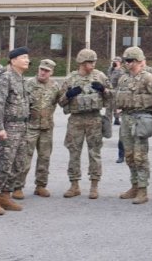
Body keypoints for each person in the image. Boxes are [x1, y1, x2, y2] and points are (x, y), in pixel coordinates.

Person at [58, 49, 111, 200]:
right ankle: (74, 185)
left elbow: (112, 96)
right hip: (76, 120)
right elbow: (61, 102)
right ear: (81, 62)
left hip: (94, 118)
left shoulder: (100, 76)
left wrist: (103, 89)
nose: (93, 65)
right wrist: (68, 95)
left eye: (94, 62)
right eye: (90, 62)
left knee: (95, 153)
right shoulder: (71, 79)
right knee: (74, 152)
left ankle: (94, 185)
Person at [0, 47, 30, 216]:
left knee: (18, 163)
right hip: (9, 127)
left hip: (21, 127)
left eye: (27, 57)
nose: (27, 60)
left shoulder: (21, 78)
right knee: (3, 163)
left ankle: (5, 194)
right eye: (23, 57)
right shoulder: (6, 77)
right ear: (13, 60)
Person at [114, 46, 152, 205]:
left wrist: (148, 115)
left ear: (139, 61)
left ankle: (143, 189)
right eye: (126, 60)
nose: (127, 63)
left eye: (130, 60)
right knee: (129, 155)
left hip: (140, 119)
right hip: (126, 119)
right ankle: (134, 185)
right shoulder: (123, 79)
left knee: (140, 156)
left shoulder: (149, 79)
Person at [13, 59, 61, 199]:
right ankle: (17, 186)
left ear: (51, 72)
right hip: (30, 127)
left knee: (44, 158)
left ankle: (40, 186)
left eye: (46, 71)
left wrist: (69, 95)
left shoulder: (55, 86)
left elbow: (62, 102)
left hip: (46, 127)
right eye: (41, 69)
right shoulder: (28, 84)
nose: (43, 72)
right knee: (24, 158)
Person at [107, 57, 125, 163]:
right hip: (110, 91)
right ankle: (108, 127)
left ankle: (117, 119)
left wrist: (117, 69)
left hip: (117, 92)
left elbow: (121, 83)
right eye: (113, 61)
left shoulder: (121, 71)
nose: (114, 63)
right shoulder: (110, 70)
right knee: (108, 109)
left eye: (116, 61)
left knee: (116, 109)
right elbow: (108, 78)